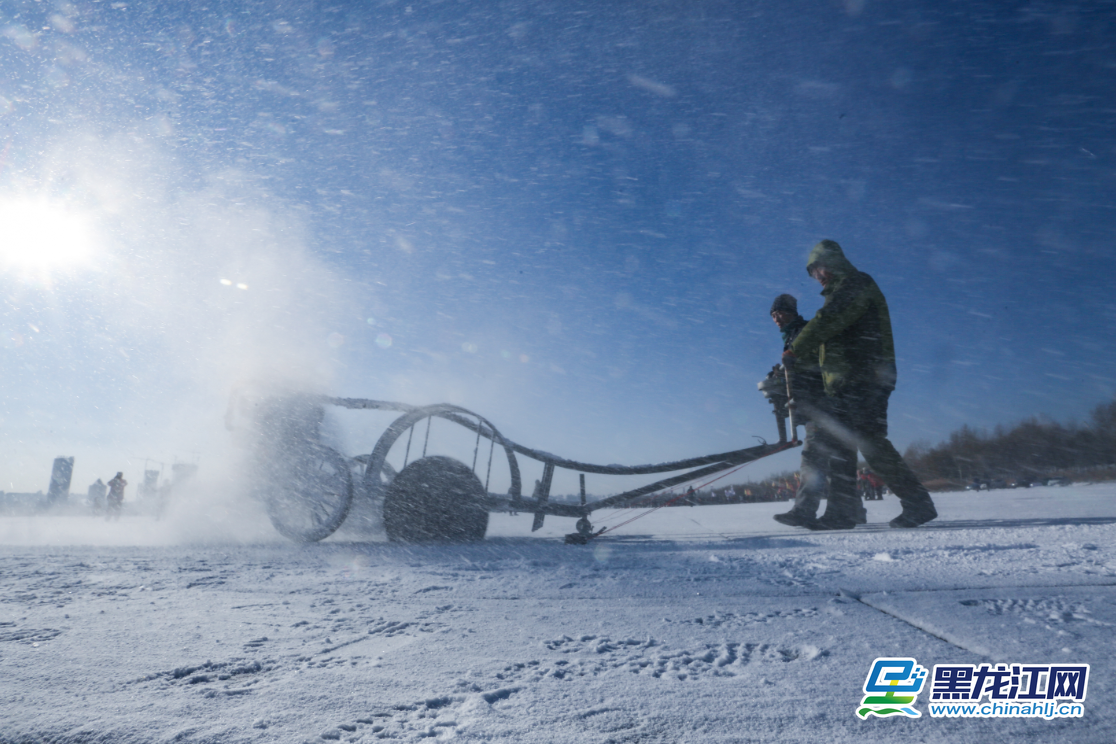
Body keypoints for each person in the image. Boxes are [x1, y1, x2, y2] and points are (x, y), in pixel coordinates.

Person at [784, 239, 938, 529]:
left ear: (829, 263)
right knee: (841, 445)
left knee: (870, 442)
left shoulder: (855, 284)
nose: (817, 277)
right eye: (813, 274)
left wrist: (796, 348)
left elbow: (829, 321)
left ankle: (918, 503)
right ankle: (842, 513)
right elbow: (829, 344)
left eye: (817, 270)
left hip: (867, 377)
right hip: (847, 380)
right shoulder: (840, 291)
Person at [769, 294, 867, 528]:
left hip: (823, 405)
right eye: (773, 315)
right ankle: (852, 512)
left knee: (812, 459)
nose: (776, 319)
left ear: (791, 312)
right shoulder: (793, 334)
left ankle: (804, 511)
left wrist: (789, 373)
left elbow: (815, 366)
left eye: (780, 313)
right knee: (838, 461)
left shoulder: (803, 331)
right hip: (832, 404)